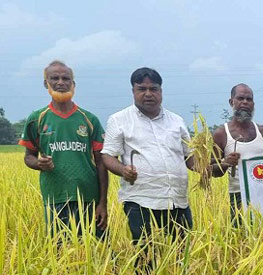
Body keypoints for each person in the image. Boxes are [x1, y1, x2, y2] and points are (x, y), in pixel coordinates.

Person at [102, 67, 196, 244]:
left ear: (161, 91)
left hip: (176, 200)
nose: (148, 94)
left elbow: (189, 157)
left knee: (183, 252)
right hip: (140, 200)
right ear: (133, 91)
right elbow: (107, 156)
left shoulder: (177, 121)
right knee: (146, 255)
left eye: (153, 89)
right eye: (141, 89)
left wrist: (212, 166)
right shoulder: (119, 119)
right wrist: (123, 170)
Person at [19, 60, 108, 238]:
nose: (60, 82)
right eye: (54, 78)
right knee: (60, 253)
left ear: (73, 84)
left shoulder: (89, 119)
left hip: (88, 197)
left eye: (65, 78)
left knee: (98, 252)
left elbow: (101, 163)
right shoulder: (36, 118)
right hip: (55, 198)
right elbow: (28, 156)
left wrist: (102, 203)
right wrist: (39, 163)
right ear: (46, 83)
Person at [211, 83, 263, 224]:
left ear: (253, 104)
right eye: (240, 98)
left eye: (249, 99)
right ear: (231, 102)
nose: (245, 102)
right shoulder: (221, 134)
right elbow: (212, 171)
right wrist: (226, 163)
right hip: (238, 196)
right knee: (240, 239)